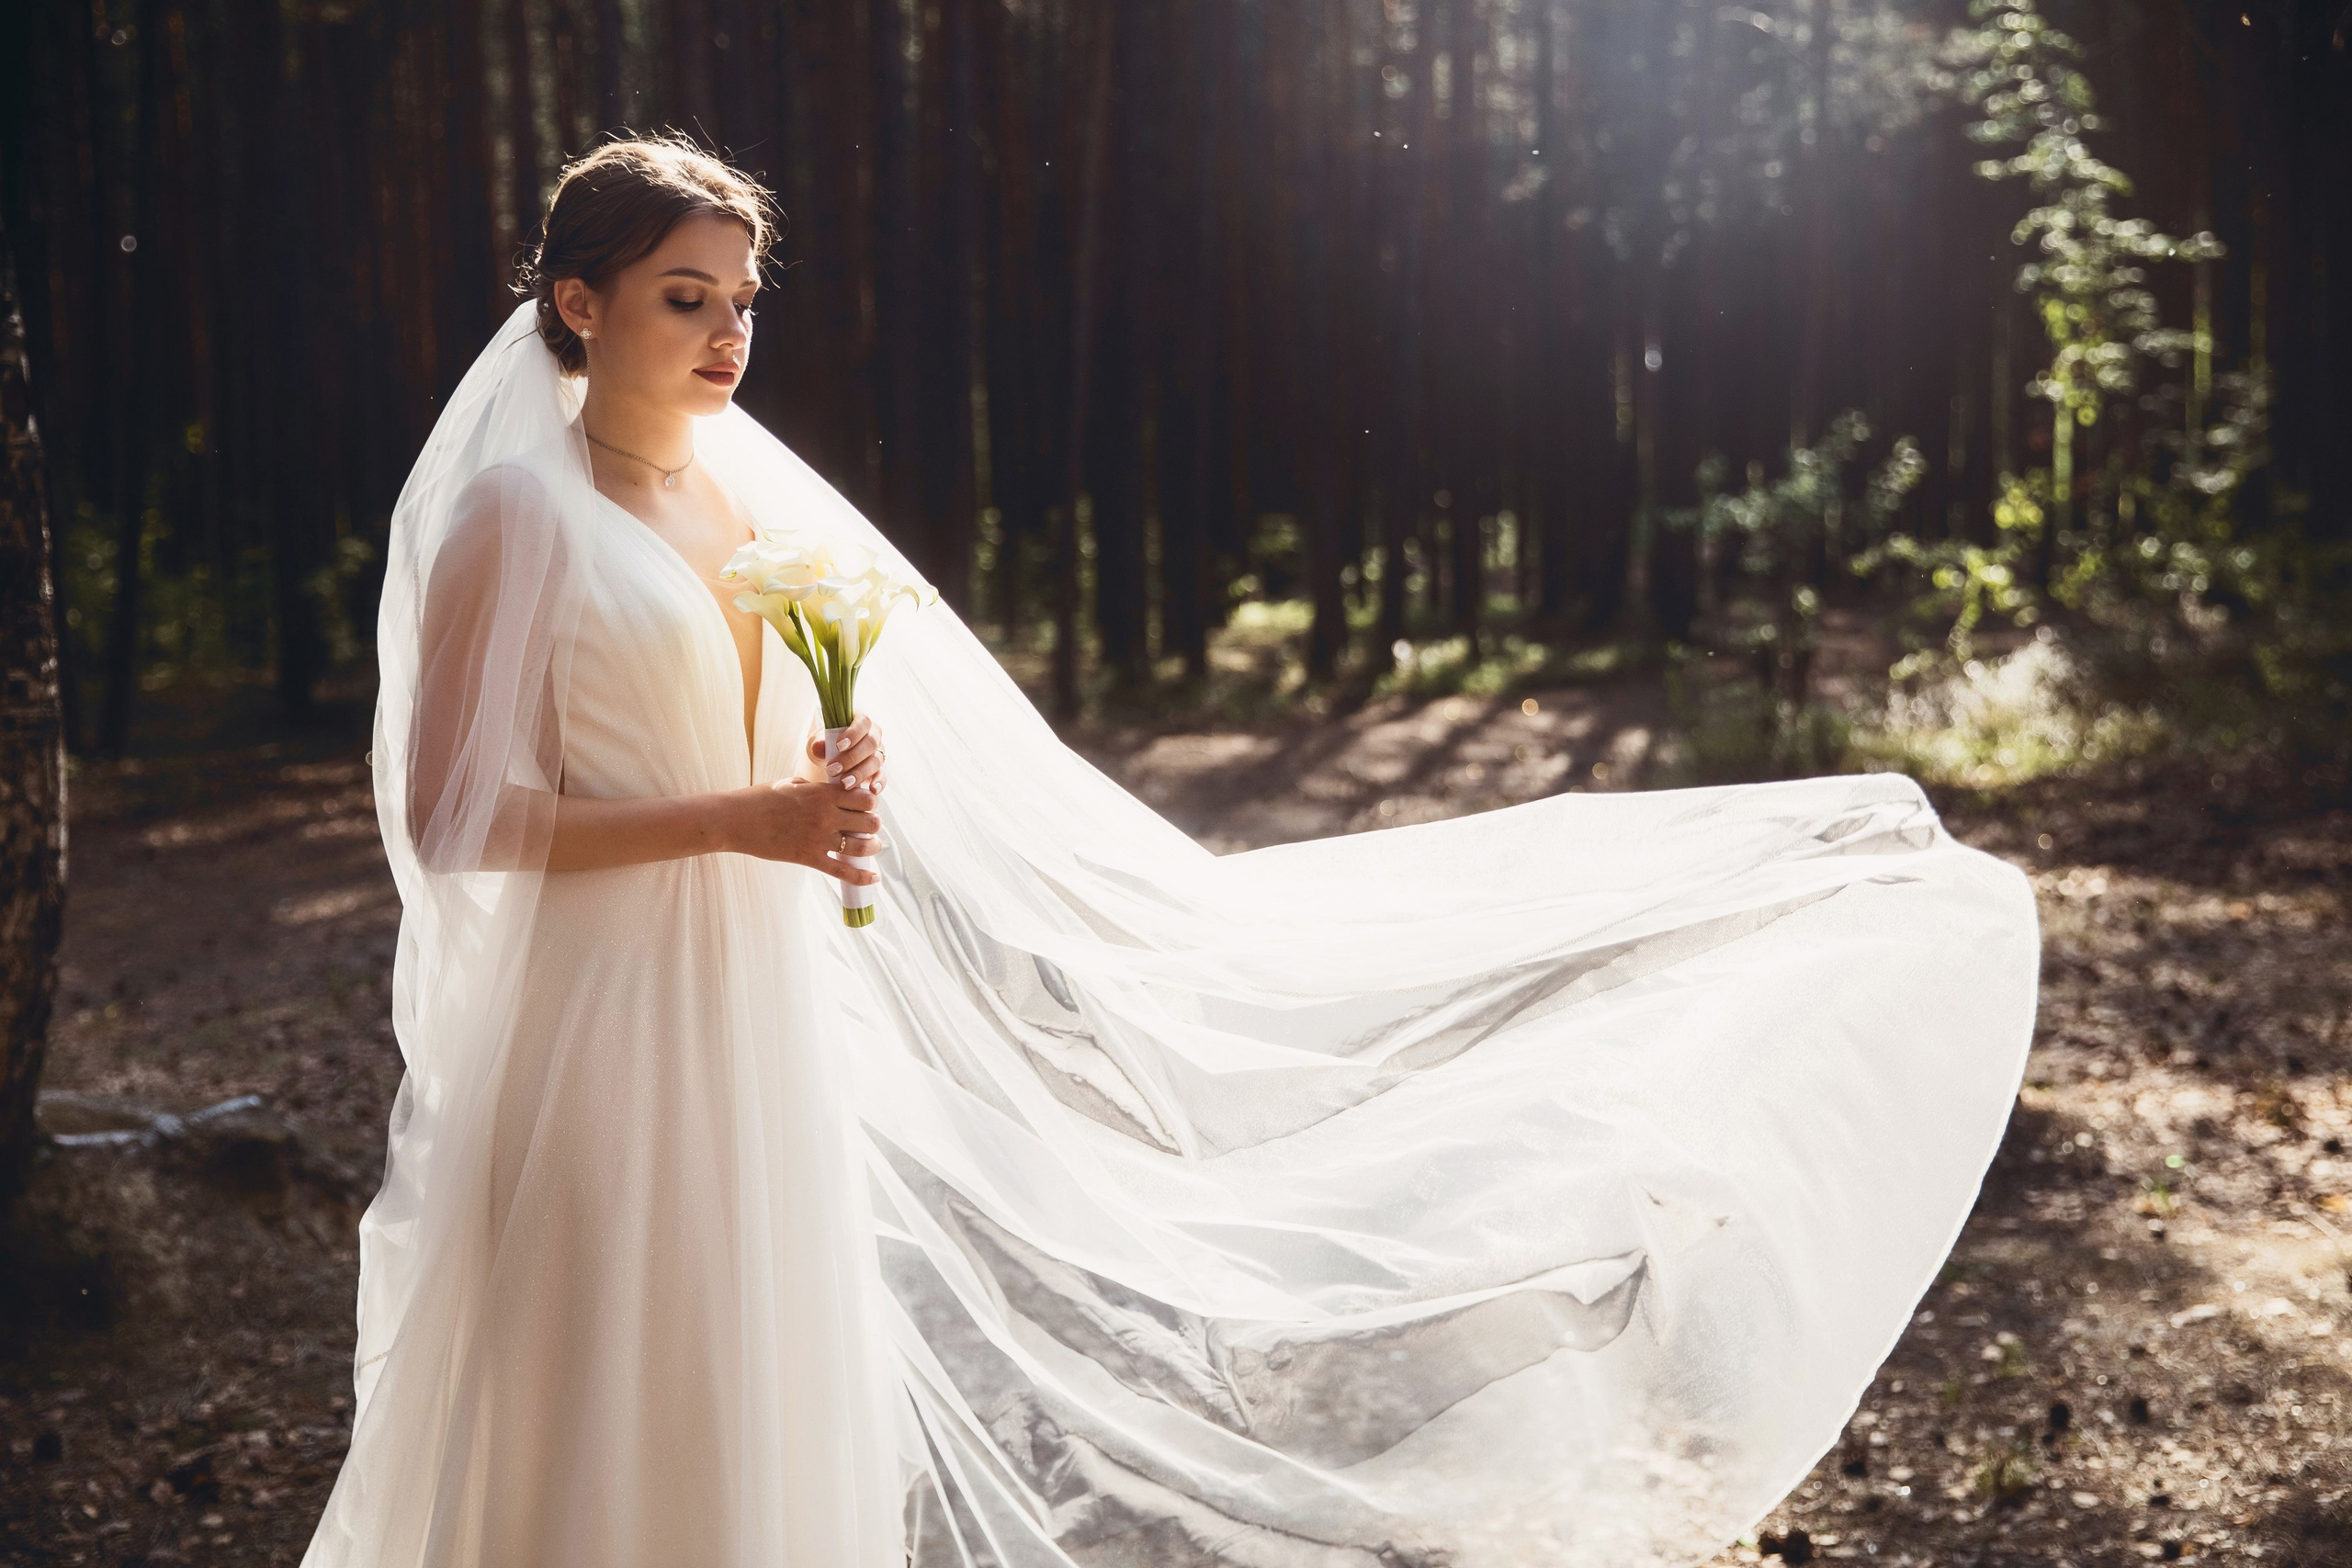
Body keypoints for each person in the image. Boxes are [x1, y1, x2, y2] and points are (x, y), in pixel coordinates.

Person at [304, 132, 2041, 1568]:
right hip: (605, 1023)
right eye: (686, 299)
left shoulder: (746, 500)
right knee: (602, 1360)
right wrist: (747, 819)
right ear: (575, 301)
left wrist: (821, 770)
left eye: (743, 301)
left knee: (744, 1361)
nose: (725, 334)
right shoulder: (519, 514)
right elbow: (459, 816)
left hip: (758, 1008)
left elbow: (754, 737)